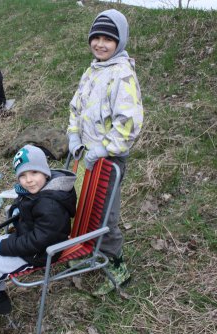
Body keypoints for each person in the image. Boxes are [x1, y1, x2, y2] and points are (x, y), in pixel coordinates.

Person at [0, 145, 77, 325]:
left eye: (34, 172)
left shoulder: (50, 204)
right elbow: (30, 223)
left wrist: (4, 246)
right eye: (23, 175)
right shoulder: (35, 192)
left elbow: (39, 240)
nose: (29, 180)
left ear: (45, 172)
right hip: (27, 240)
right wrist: (16, 212)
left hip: (41, 253)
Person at [67, 9, 144, 294]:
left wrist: (103, 148)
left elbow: (129, 122)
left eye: (108, 39)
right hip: (85, 156)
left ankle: (116, 264)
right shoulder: (92, 70)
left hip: (108, 159)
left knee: (105, 214)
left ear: (119, 42)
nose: (100, 44)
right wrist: (74, 135)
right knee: (82, 205)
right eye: (96, 38)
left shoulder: (122, 75)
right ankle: (87, 249)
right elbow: (76, 106)